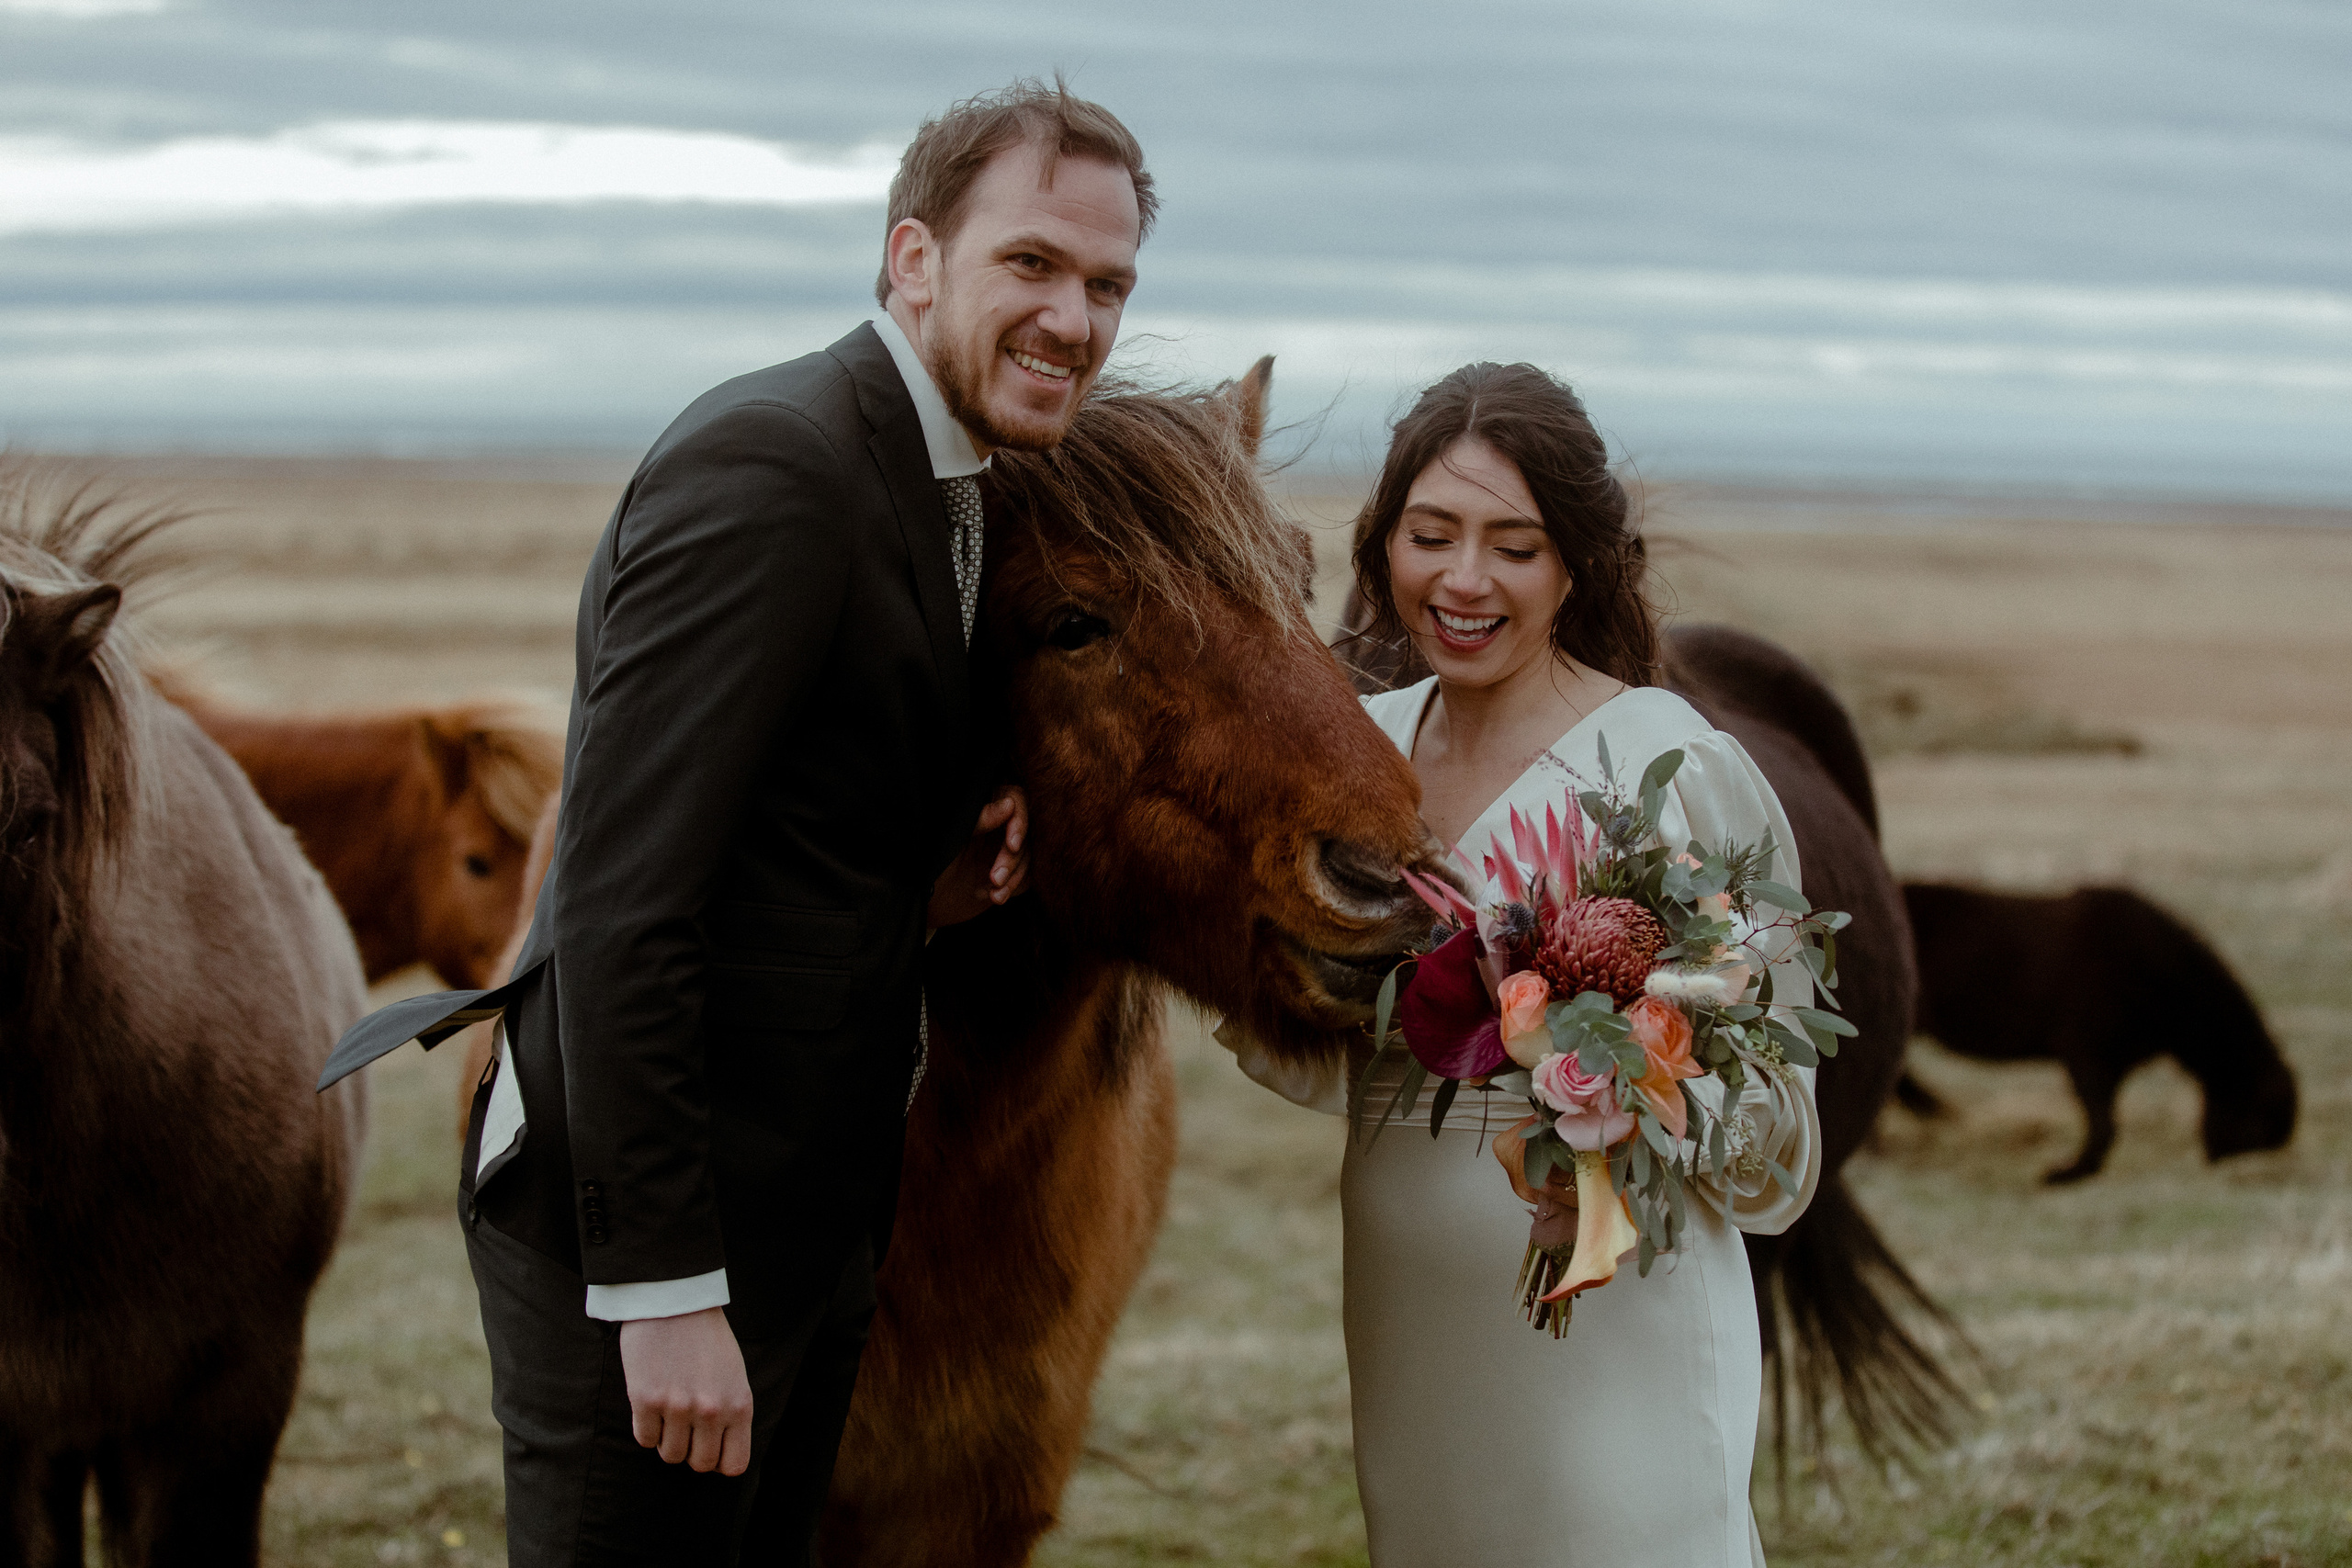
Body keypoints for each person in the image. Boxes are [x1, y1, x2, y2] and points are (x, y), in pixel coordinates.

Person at [315, 79, 1154, 1566]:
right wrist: (664, 1293)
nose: (1073, 319)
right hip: (656, 1252)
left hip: (801, 1226)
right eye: (1030, 263)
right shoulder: (776, 465)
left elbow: (772, 833)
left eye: (1107, 285)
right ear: (912, 259)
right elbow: (620, 904)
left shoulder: (942, 481)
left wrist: (928, 882)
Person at [1229, 363, 1822, 1566]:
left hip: (1619, 1301)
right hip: (1410, 1303)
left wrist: (1629, 1089)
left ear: (1576, 565)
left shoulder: (1667, 763)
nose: (1464, 580)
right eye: (1430, 535)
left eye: (1514, 546)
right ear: (1381, 545)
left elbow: (1776, 1109)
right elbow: (1291, 1030)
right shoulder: (1358, 752)